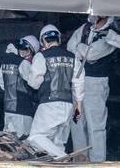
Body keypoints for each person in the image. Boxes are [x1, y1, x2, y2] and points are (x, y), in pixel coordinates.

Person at [68, 14, 118, 163]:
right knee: (77, 121)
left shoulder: (112, 32)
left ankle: (97, 160)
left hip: (96, 81)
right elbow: (70, 46)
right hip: (78, 79)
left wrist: (80, 49)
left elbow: (92, 54)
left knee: (95, 124)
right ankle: (80, 158)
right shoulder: (84, 28)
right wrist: (82, 50)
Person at [28, 24, 83, 158]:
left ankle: (64, 157)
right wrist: (78, 105)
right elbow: (79, 82)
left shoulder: (42, 56)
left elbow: (34, 83)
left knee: (35, 137)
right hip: (69, 105)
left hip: (49, 103)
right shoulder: (73, 57)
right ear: (58, 39)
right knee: (58, 143)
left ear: (43, 41)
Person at [0, 39, 40, 136]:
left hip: (8, 108)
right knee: (23, 143)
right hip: (23, 109)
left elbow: (2, 85)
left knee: (8, 142)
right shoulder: (24, 63)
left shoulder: (5, 61)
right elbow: (34, 84)